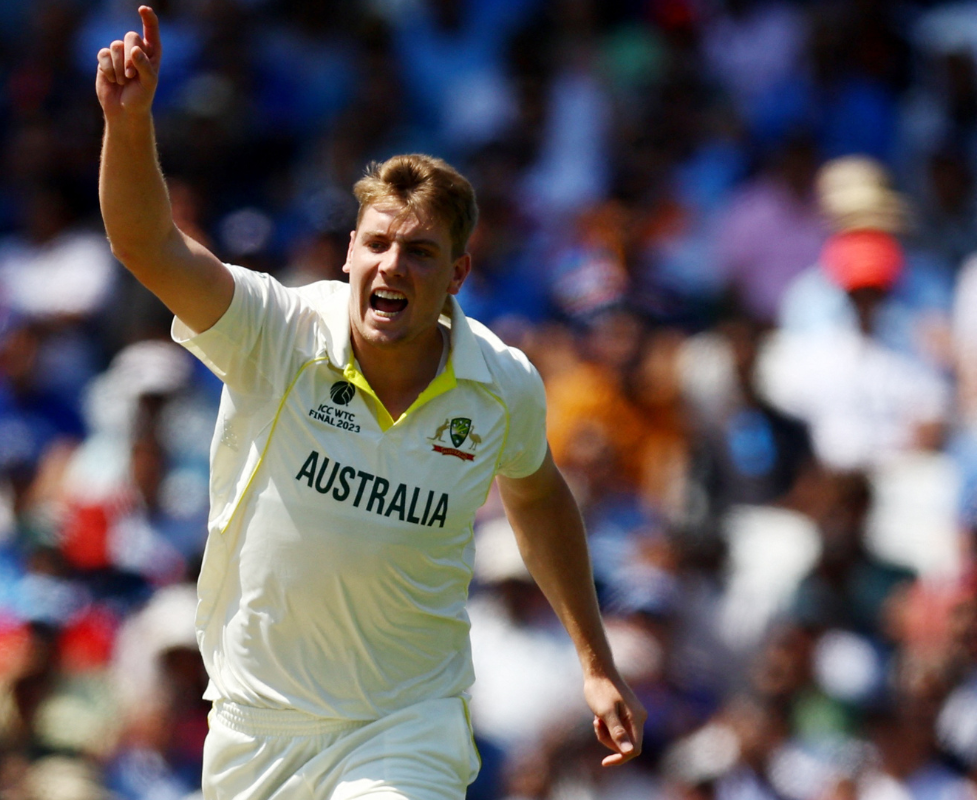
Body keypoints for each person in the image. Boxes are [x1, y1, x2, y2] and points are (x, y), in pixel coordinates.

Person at [95, 8, 645, 799]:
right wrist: (129, 122)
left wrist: (595, 665)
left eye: (420, 252)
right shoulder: (276, 330)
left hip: (405, 725)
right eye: (378, 244)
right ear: (350, 250)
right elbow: (147, 244)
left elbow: (538, 494)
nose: (393, 266)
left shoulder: (501, 383)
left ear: (456, 275)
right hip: (257, 724)